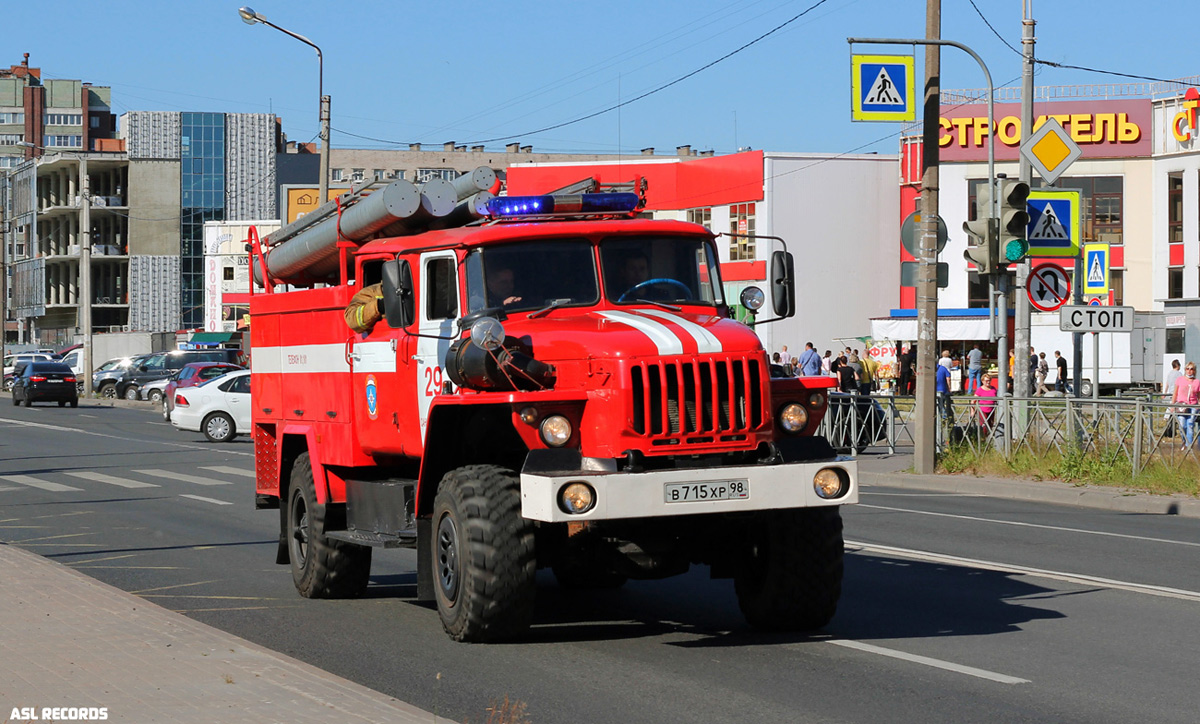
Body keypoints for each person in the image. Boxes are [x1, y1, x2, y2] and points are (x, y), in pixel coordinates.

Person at [1172, 361, 1200, 450]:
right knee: (1182, 425)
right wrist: (1172, 405)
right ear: (1185, 370)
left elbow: (1199, 396)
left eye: (1191, 369)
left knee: (1190, 424)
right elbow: (1175, 393)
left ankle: (1189, 447)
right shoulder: (1180, 379)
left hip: (1193, 406)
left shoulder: (1197, 382)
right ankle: (1184, 441)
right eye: (1187, 369)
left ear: (1194, 371)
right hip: (1181, 406)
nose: (1189, 371)